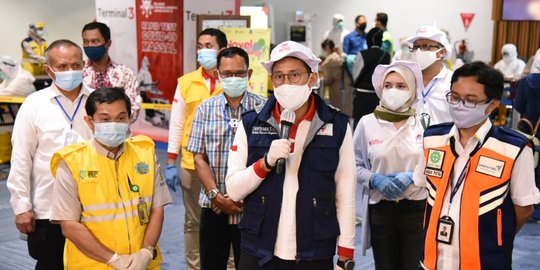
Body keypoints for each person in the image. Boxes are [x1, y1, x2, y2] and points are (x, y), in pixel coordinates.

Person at [225, 40, 356, 270]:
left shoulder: (336, 125)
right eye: (278, 76)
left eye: (294, 75)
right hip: (259, 249)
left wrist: (345, 253)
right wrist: (264, 163)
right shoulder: (251, 123)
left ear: (312, 78)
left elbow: (345, 194)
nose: (285, 83)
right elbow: (234, 189)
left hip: (314, 250)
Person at [413, 61, 540, 270]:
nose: (459, 105)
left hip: (484, 261)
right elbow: (423, 186)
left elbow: (524, 208)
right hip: (432, 260)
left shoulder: (514, 148)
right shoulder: (432, 139)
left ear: (491, 104)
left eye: (470, 100)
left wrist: (495, 232)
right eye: (454, 98)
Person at [49, 87, 172, 269]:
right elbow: (69, 225)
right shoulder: (71, 162)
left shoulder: (145, 153)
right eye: (105, 119)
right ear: (90, 122)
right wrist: (115, 260)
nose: (114, 123)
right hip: (94, 265)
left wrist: (146, 252)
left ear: (130, 118)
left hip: (142, 264)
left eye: (121, 118)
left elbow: (157, 209)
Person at [6, 39, 93, 269]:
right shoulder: (34, 105)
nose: (70, 71)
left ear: (84, 65)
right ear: (49, 69)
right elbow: (21, 158)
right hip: (48, 208)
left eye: (76, 65)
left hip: (93, 206)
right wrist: (21, 206)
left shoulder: (97, 101)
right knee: (50, 263)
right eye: (62, 66)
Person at [186, 47, 267, 270]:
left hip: (252, 208)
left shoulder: (264, 109)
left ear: (249, 74)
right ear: (217, 75)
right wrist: (216, 196)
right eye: (227, 74)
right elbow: (199, 158)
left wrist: (244, 196)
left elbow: (269, 159)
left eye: (239, 74)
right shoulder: (205, 109)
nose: (233, 79)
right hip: (213, 206)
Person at [354, 61, 426, 270]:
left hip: (415, 208)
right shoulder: (367, 123)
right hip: (380, 208)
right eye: (388, 85)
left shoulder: (424, 122)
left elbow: (435, 164)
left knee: (412, 266)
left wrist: (413, 176)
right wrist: (375, 179)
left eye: (401, 86)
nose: (393, 91)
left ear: (412, 89)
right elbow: (354, 166)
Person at [167, 27, 227, 270]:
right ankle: (195, 266)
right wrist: (171, 161)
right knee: (193, 222)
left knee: (229, 220)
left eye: (209, 46)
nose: (203, 51)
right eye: (200, 46)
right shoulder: (186, 83)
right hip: (192, 165)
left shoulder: (233, 79)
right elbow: (177, 122)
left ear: (221, 49)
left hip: (224, 165)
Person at [82, 22, 141, 120]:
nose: (90, 46)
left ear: (108, 43)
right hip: (86, 131)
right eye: (86, 42)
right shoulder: (79, 73)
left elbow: (134, 107)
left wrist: (113, 124)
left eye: (95, 41)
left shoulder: (125, 73)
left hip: (120, 132)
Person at [408, 25, 454, 127]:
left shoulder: (453, 82)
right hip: (410, 141)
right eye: (416, 47)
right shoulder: (406, 80)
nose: (419, 51)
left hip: (443, 141)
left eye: (425, 46)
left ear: (442, 52)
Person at [514, 48, 540, 220]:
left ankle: (531, 207)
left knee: (529, 169)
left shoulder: (527, 82)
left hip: (530, 132)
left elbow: (518, 106)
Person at [352, 27, 391, 126]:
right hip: (378, 97)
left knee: (360, 126)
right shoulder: (386, 56)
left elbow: (355, 76)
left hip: (361, 97)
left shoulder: (362, 54)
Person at [493, 43, 527, 126]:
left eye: (507, 53)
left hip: (515, 90)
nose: (505, 55)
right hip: (500, 89)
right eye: (504, 53)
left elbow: (519, 76)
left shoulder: (520, 64)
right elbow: (493, 74)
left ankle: (514, 123)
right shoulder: (499, 63)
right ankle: (501, 119)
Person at [320, 39, 352, 116]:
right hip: (347, 87)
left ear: (327, 48)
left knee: (338, 114)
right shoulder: (339, 55)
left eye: (323, 50)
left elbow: (328, 81)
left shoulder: (329, 61)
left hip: (337, 91)